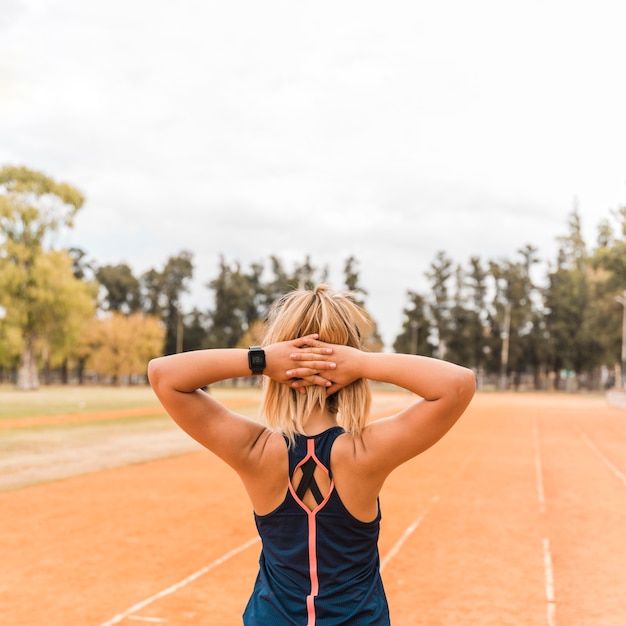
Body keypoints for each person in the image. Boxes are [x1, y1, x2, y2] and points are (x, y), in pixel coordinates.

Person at [148, 284, 475, 625]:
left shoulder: (254, 450)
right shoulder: (364, 453)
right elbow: (458, 384)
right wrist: (361, 362)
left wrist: (261, 359)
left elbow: (164, 374)